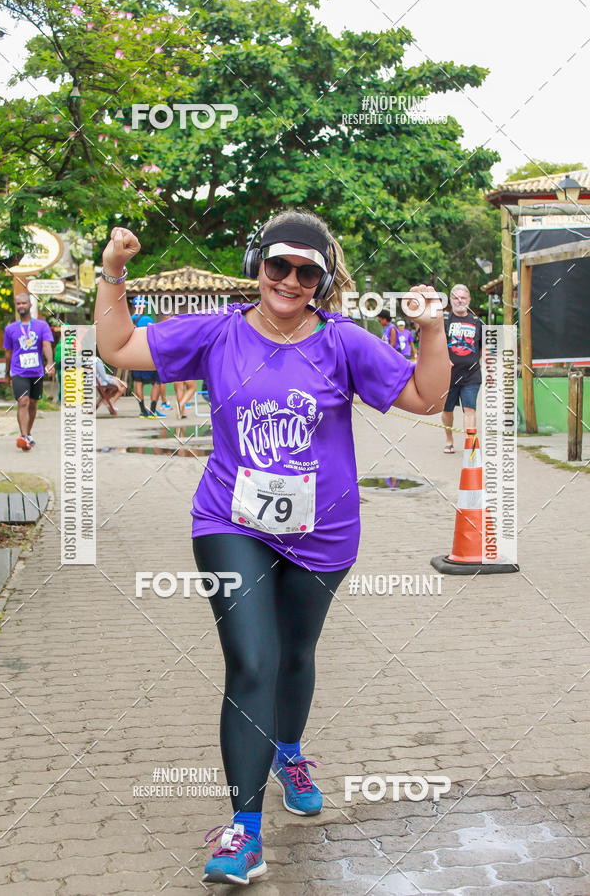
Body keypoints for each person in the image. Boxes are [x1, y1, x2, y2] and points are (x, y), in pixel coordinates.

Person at [95, 211, 450, 887]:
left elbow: (427, 397)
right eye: (277, 265)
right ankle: (244, 831)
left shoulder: (342, 341)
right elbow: (118, 345)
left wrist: (431, 329)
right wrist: (113, 270)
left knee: (295, 654)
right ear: (258, 265)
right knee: (252, 661)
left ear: (322, 280)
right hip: (232, 523)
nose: (289, 280)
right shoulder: (219, 331)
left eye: (306, 271)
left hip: (323, 533)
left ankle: (289, 751)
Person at [3, 292, 54, 450]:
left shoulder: (41, 326)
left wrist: (49, 363)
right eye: (18, 304)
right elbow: (8, 352)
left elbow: (46, 345)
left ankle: (28, 433)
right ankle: (23, 436)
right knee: (23, 401)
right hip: (18, 371)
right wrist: (7, 372)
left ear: (30, 305)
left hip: (36, 372)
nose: (21, 306)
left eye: (24, 303)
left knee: (32, 403)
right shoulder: (10, 328)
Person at [442, 284, 483, 454]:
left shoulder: (477, 322)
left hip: (471, 375)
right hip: (448, 375)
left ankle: (470, 444)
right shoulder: (444, 321)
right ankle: (449, 440)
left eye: (463, 298)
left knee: (470, 409)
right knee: (447, 410)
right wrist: (443, 360)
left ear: (469, 300)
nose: (460, 301)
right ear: (451, 300)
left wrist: (480, 363)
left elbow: (483, 347)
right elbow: (435, 345)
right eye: (456, 297)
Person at [130, 297, 165, 417]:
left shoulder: (128, 320)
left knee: (138, 382)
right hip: (148, 354)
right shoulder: (147, 319)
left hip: (134, 355)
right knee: (157, 382)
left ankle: (142, 411)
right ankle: (152, 411)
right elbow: (154, 336)